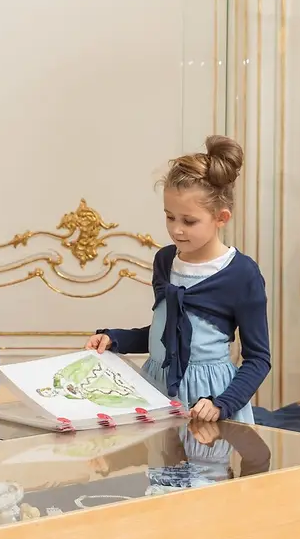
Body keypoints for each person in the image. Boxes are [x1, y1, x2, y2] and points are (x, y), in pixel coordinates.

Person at [86, 135, 271, 424]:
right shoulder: (164, 260)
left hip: (208, 399)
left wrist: (222, 403)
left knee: (205, 469)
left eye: (189, 221)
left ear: (221, 217)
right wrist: (116, 338)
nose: (176, 229)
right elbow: (169, 333)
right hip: (156, 389)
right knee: (159, 467)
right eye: (169, 217)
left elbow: (259, 359)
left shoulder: (242, 274)